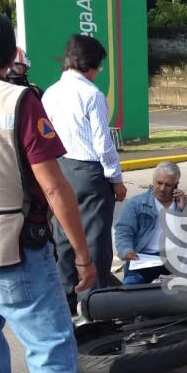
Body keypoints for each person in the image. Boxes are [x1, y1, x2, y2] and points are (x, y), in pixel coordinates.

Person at [0, 7, 125, 373]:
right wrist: (81, 255)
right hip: (15, 253)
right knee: (53, 361)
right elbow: (55, 189)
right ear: (5, 50)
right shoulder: (17, 101)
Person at [42, 35, 127, 308]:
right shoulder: (92, 95)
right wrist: (116, 179)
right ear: (91, 65)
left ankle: (67, 300)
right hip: (90, 174)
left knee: (64, 235)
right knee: (95, 242)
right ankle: (96, 305)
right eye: (99, 67)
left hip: (60, 168)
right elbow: (103, 144)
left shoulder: (50, 93)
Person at [114, 161, 187, 285]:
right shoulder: (136, 204)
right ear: (153, 181)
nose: (163, 188)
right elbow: (123, 231)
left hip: (177, 258)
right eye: (159, 183)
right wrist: (126, 250)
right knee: (130, 289)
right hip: (143, 258)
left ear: (176, 185)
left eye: (168, 185)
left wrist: (185, 209)